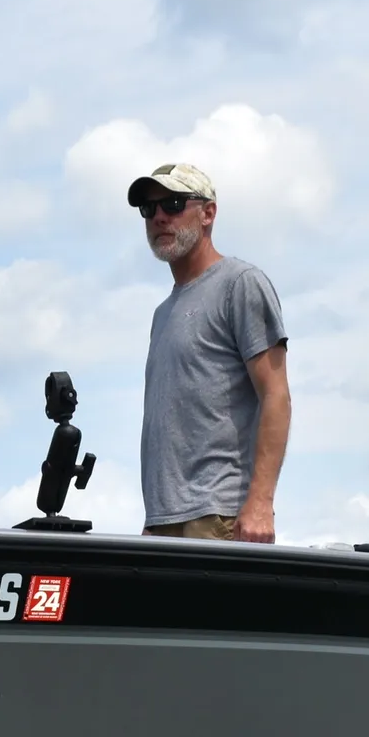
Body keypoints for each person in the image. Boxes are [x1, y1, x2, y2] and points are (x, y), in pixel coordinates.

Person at [130, 163, 290, 544]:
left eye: (173, 204)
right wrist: (156, 517)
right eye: (149, 209)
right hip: (165, 523)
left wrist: (260, 502)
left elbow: (276, 395)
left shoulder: (240, 284)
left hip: (218, 515)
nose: (159, 217)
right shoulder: (162, 314)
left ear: (208, 213)